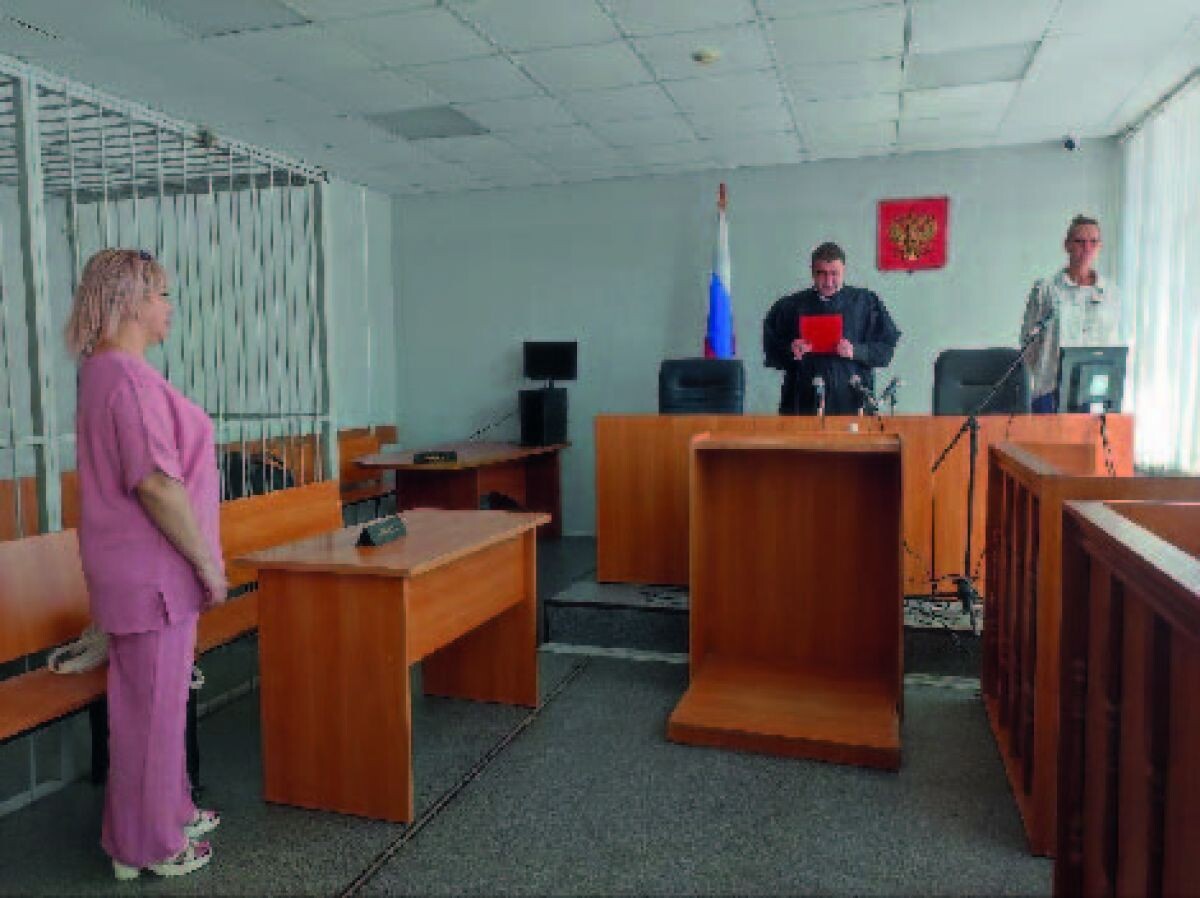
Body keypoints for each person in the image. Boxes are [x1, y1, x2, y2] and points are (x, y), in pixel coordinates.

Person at [64, 249, 226, 880]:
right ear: (130, 301)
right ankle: (144, 845)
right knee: (149, 717)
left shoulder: (107, 373)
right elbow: (157, 485)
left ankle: (170, 809)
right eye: (161, 294)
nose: (169, 307)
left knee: (158, 708)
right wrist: (208, 565)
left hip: (147, 575)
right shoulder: (126, 380)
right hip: (154, 577)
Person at [763, 242, 901, 414]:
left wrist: (856, 351)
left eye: (834, 274)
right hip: (801, 404)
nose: (828, 282)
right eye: (821, 274)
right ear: (812, 272)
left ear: (844, 270)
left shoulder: (866, 303)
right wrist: (790, 350)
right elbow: (771, 352)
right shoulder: (789, 306)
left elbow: (886, 351)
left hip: (853, 403)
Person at [1021, 215, 1120, 413]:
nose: (1087, 248)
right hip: (1050, 391)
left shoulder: (1110, 293)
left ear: (1100, 246)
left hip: (1092, 392)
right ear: (1067, 245)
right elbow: (1028, 345)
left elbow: (1111, 342)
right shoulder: (1046, 290)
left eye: (1093, 242)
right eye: (1080, 241)